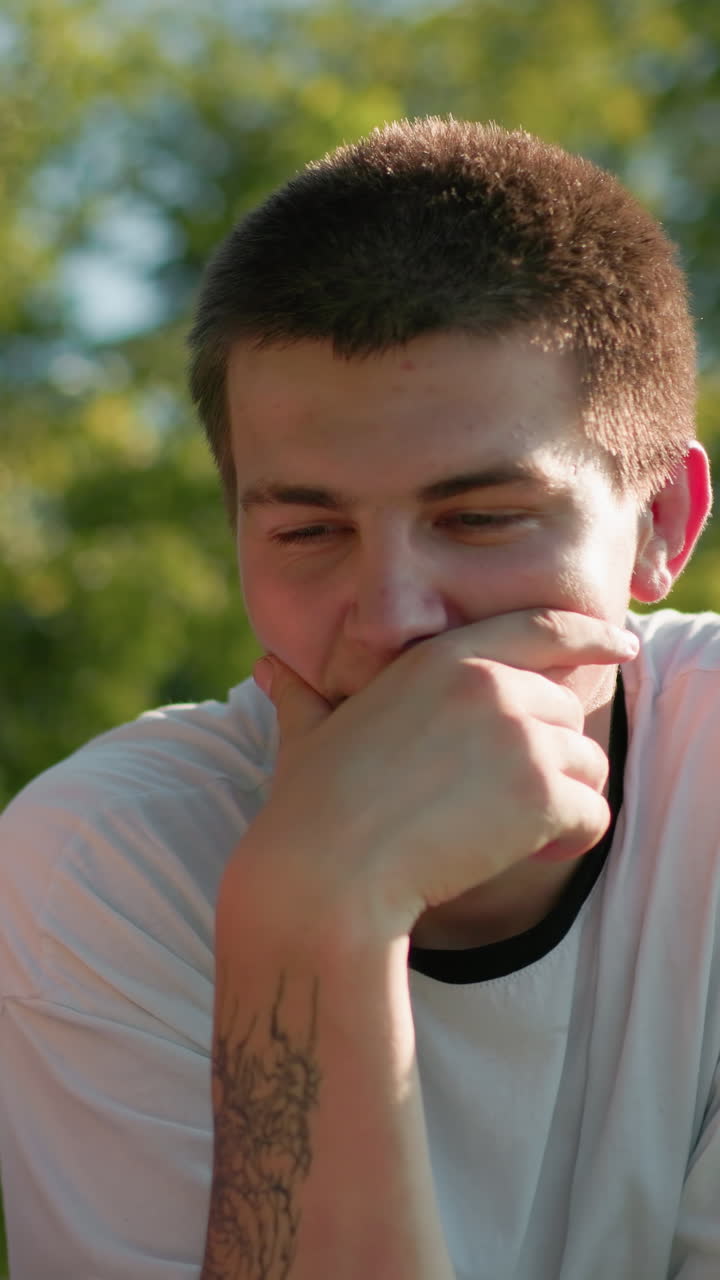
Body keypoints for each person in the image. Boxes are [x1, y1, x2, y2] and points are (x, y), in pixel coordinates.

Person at [0, 115, 718, 1280]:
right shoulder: (98, 867)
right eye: (308, 529)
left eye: (481, 517)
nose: (392, 616)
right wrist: (313, 916)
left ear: (662, 527)